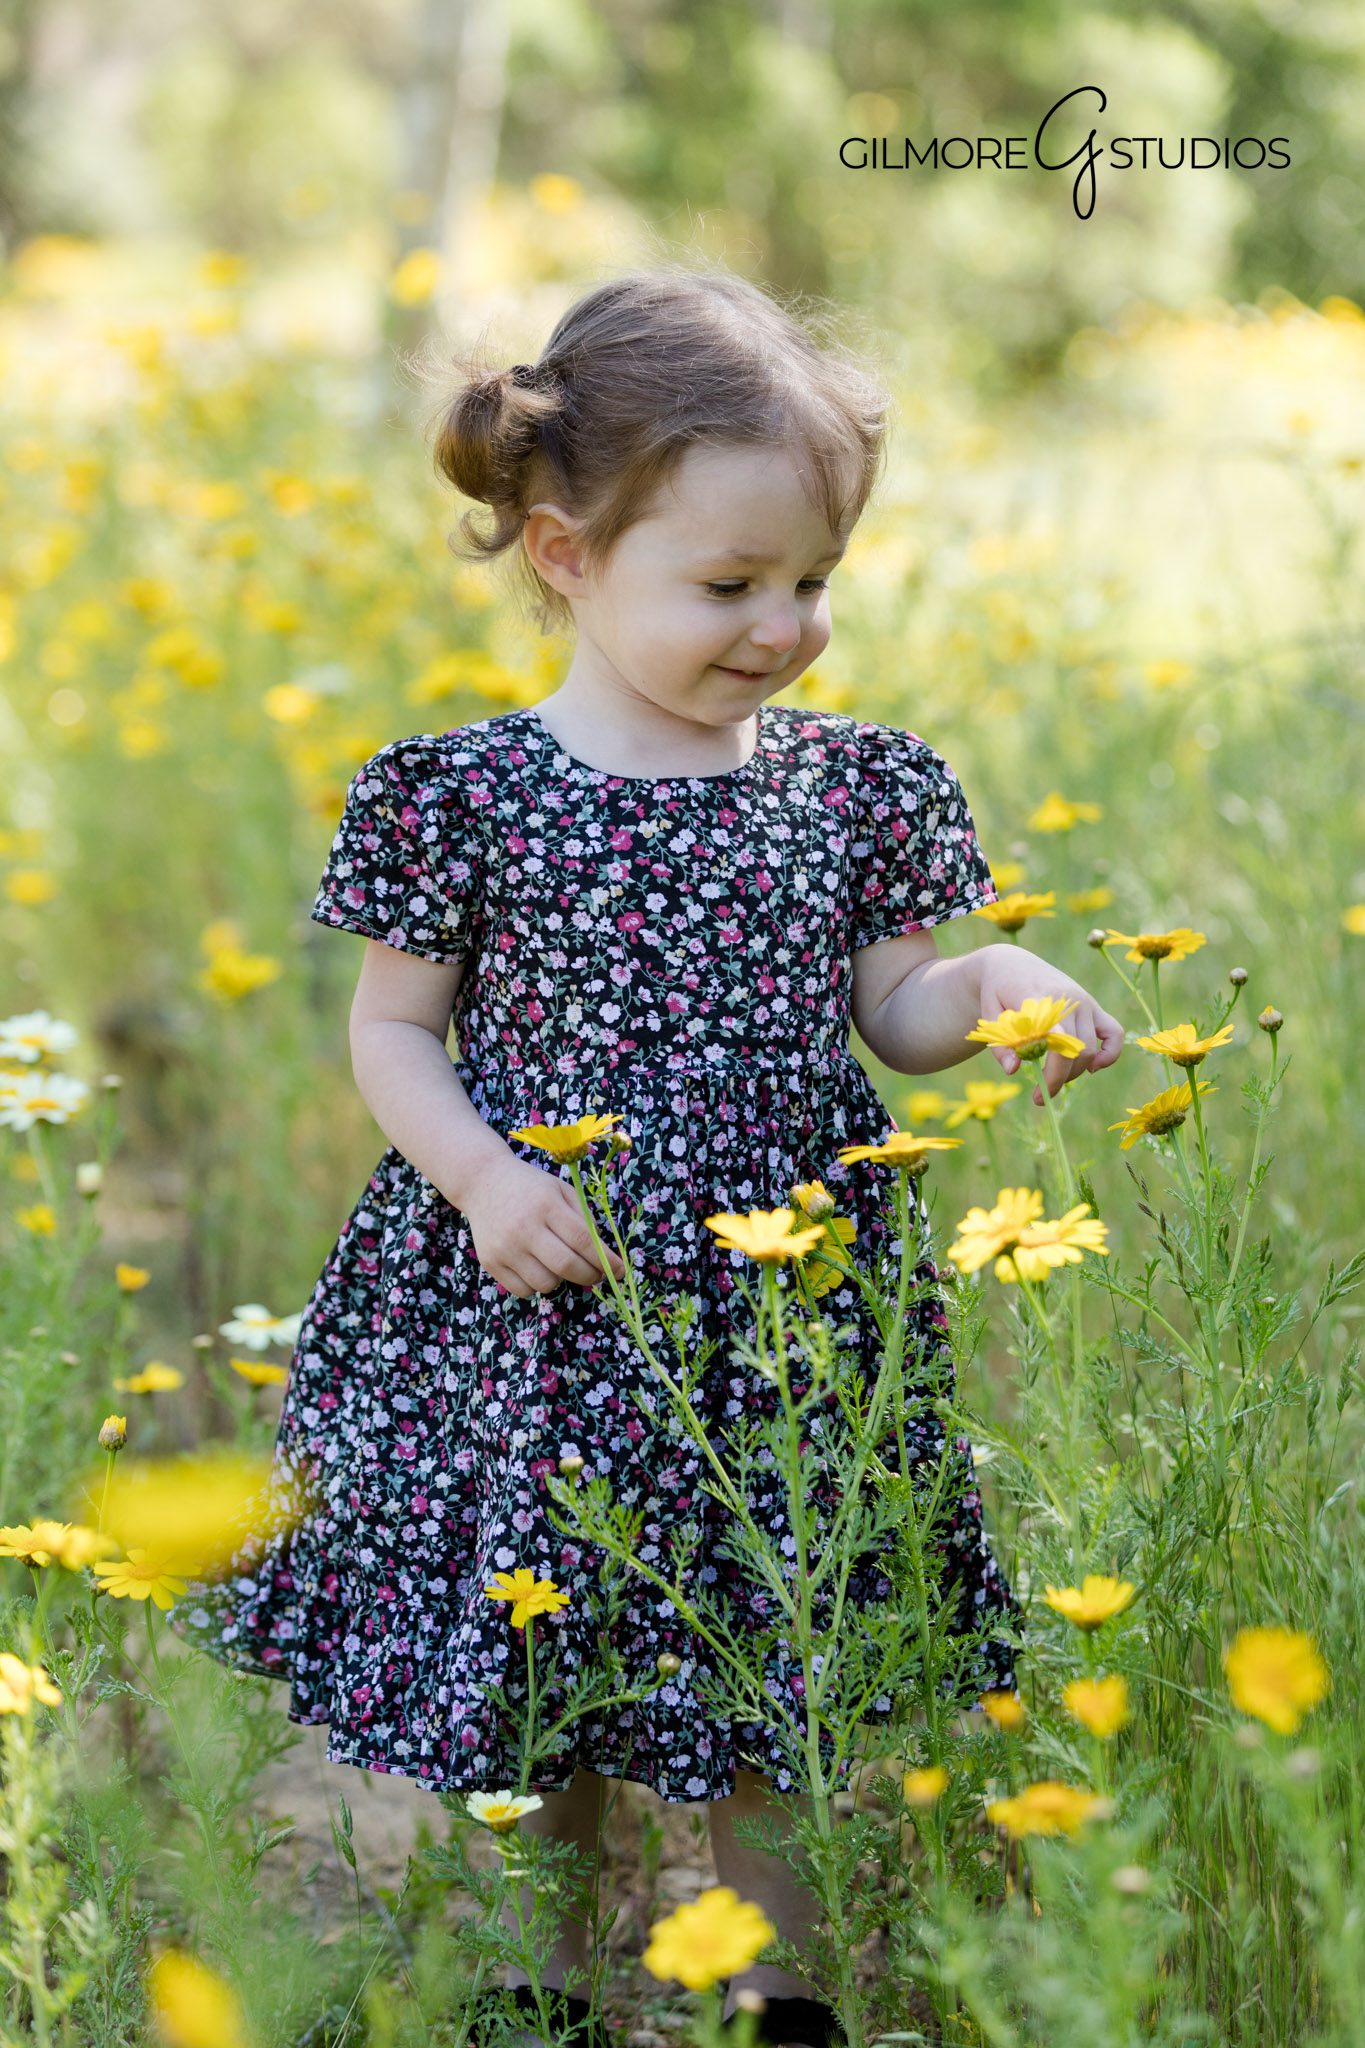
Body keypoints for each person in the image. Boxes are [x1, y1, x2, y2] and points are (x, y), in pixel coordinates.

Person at [174, 265, 1124, 2048]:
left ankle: (782, 1997)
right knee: (544, 1659)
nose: (781, 627)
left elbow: (895, 1009)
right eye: (728, 585)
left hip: (783, 1314)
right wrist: (481, 1178)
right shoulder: (461, 793)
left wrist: (998, 984)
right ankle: (534, 1986)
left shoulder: (859, 787)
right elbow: (392, 1035)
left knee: (777, 1654)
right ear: (563, 555)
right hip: (541, 1294)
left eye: (813, 582)